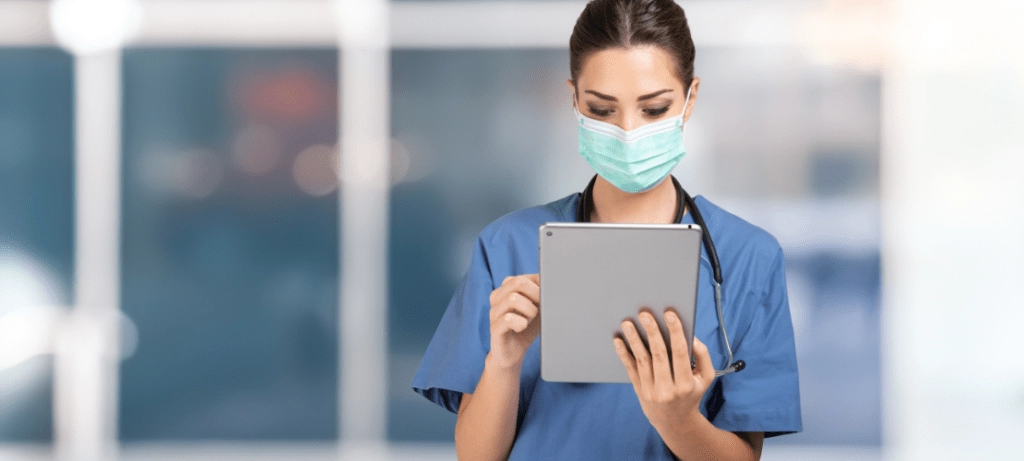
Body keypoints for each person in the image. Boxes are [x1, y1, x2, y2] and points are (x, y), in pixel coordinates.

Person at [411, 0, 802, 459]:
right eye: (602, 109)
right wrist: (505, 359)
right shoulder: (508, 247)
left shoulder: (748, 258)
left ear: (690, 100)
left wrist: (677, 419)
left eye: (654, 109)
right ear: (574, 98)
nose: (628, 132)